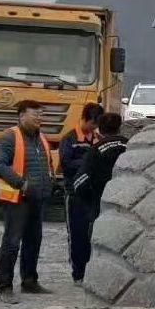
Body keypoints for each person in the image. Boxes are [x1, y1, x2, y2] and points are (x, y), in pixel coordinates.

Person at [0, 99, 55, 301]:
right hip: (18, 198)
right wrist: (21, 184)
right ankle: (5, 286)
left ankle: (29, 281)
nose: (39, 118)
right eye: (35, 114)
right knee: (12, 242)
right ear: (21, 116)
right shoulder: (10, 136)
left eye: (41, 114)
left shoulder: (41, 137)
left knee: (33, 241)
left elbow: (47, 164)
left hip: (38, 198)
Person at [59, 102, 102, 285]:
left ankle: (90, 272)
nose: (93, 128)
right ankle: (78, 273)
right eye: (92, 123)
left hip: (92, 195)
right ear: (84, 119)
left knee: (93, 235)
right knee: (77, 235)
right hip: (74, 194)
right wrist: (88, 163)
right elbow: (65, 163)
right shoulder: (69, 139)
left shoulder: (98, 139)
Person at [71, 112, 128, 221]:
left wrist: (90, 201)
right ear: (120, 128)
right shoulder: (130, 146)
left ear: (100, 130)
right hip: (127, 208)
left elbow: (80, 182)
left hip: (101, 209)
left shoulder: (96, 150)